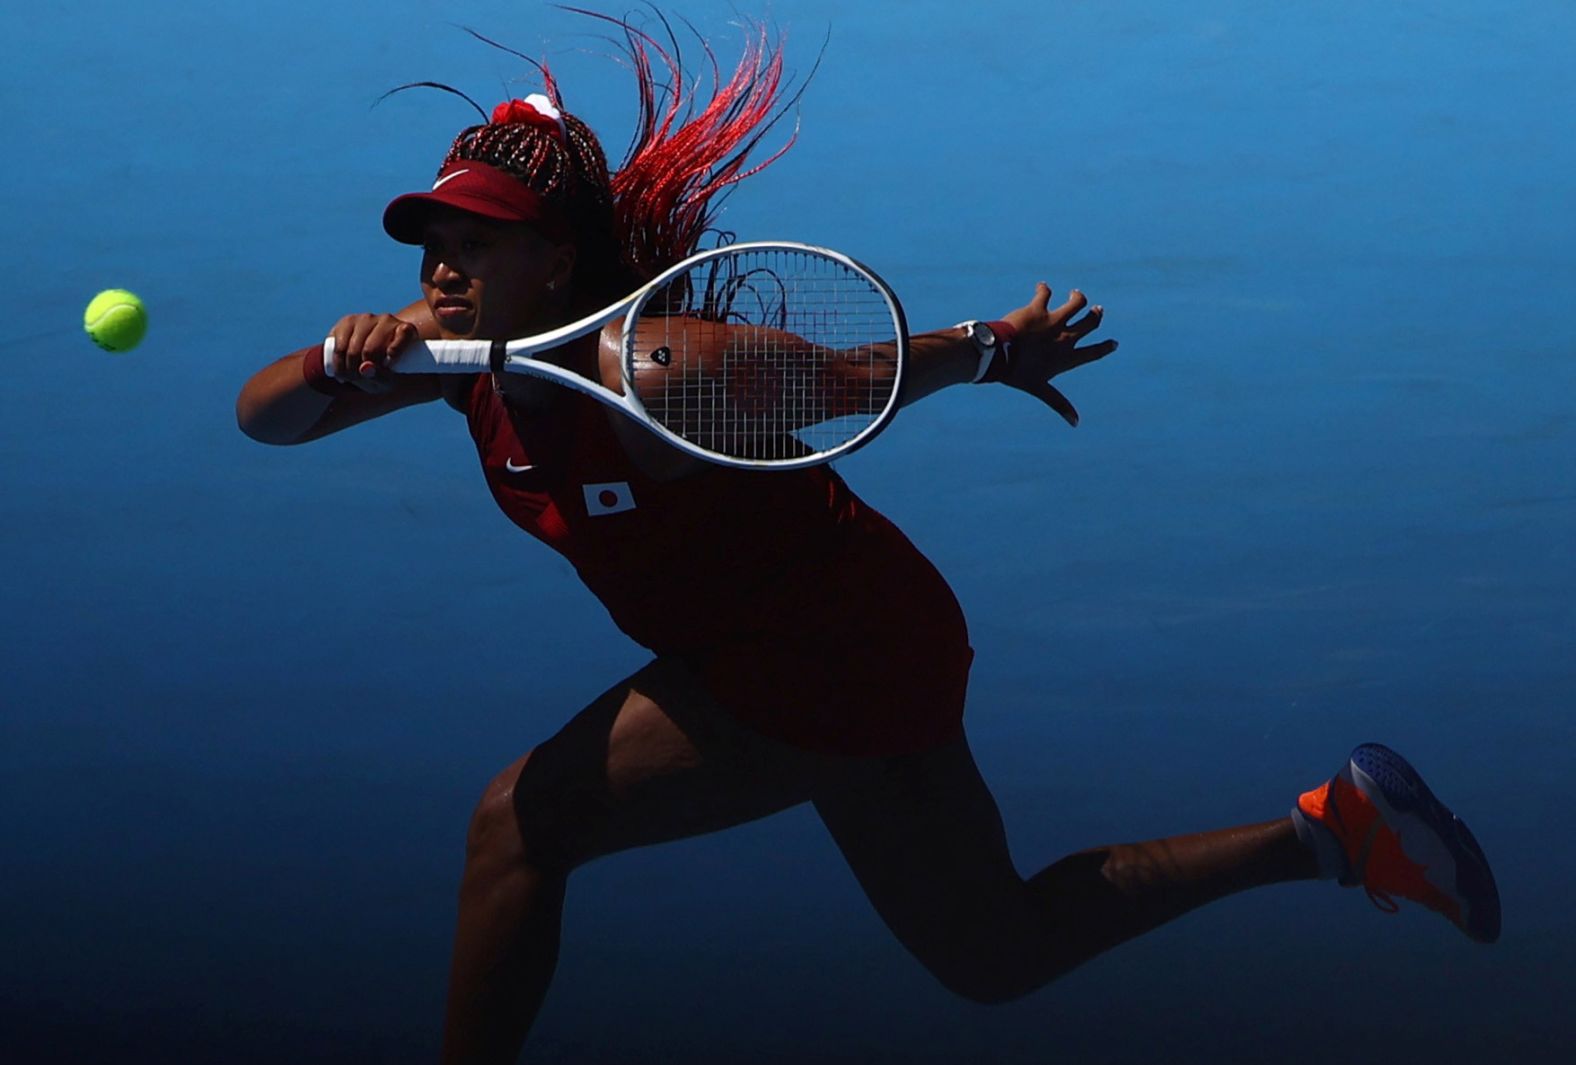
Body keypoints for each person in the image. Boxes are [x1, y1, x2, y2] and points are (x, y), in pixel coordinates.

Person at [236, 17, 1500, 1065]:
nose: (444, 273)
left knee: (518, 823)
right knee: (991, 953)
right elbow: (266, 423)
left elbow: (861, 374)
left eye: (477, 245)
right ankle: (1338, 827)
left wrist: (998, 351)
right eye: (435, 247)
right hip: (844, 640)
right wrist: (337, 364)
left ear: (556, 261)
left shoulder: (663, 370)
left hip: (824, 653)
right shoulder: (451, 356)